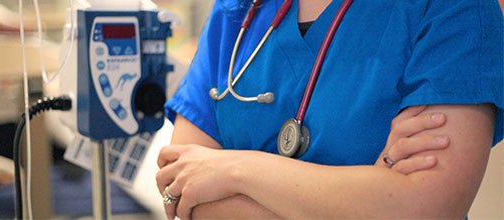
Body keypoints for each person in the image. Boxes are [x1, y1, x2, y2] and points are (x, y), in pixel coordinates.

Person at [156, 0, 504, 219]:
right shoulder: (238, 8)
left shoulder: (452, 9)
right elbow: (183, 188)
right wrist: (367, 198)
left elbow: (424, 207)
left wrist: (234, 170)